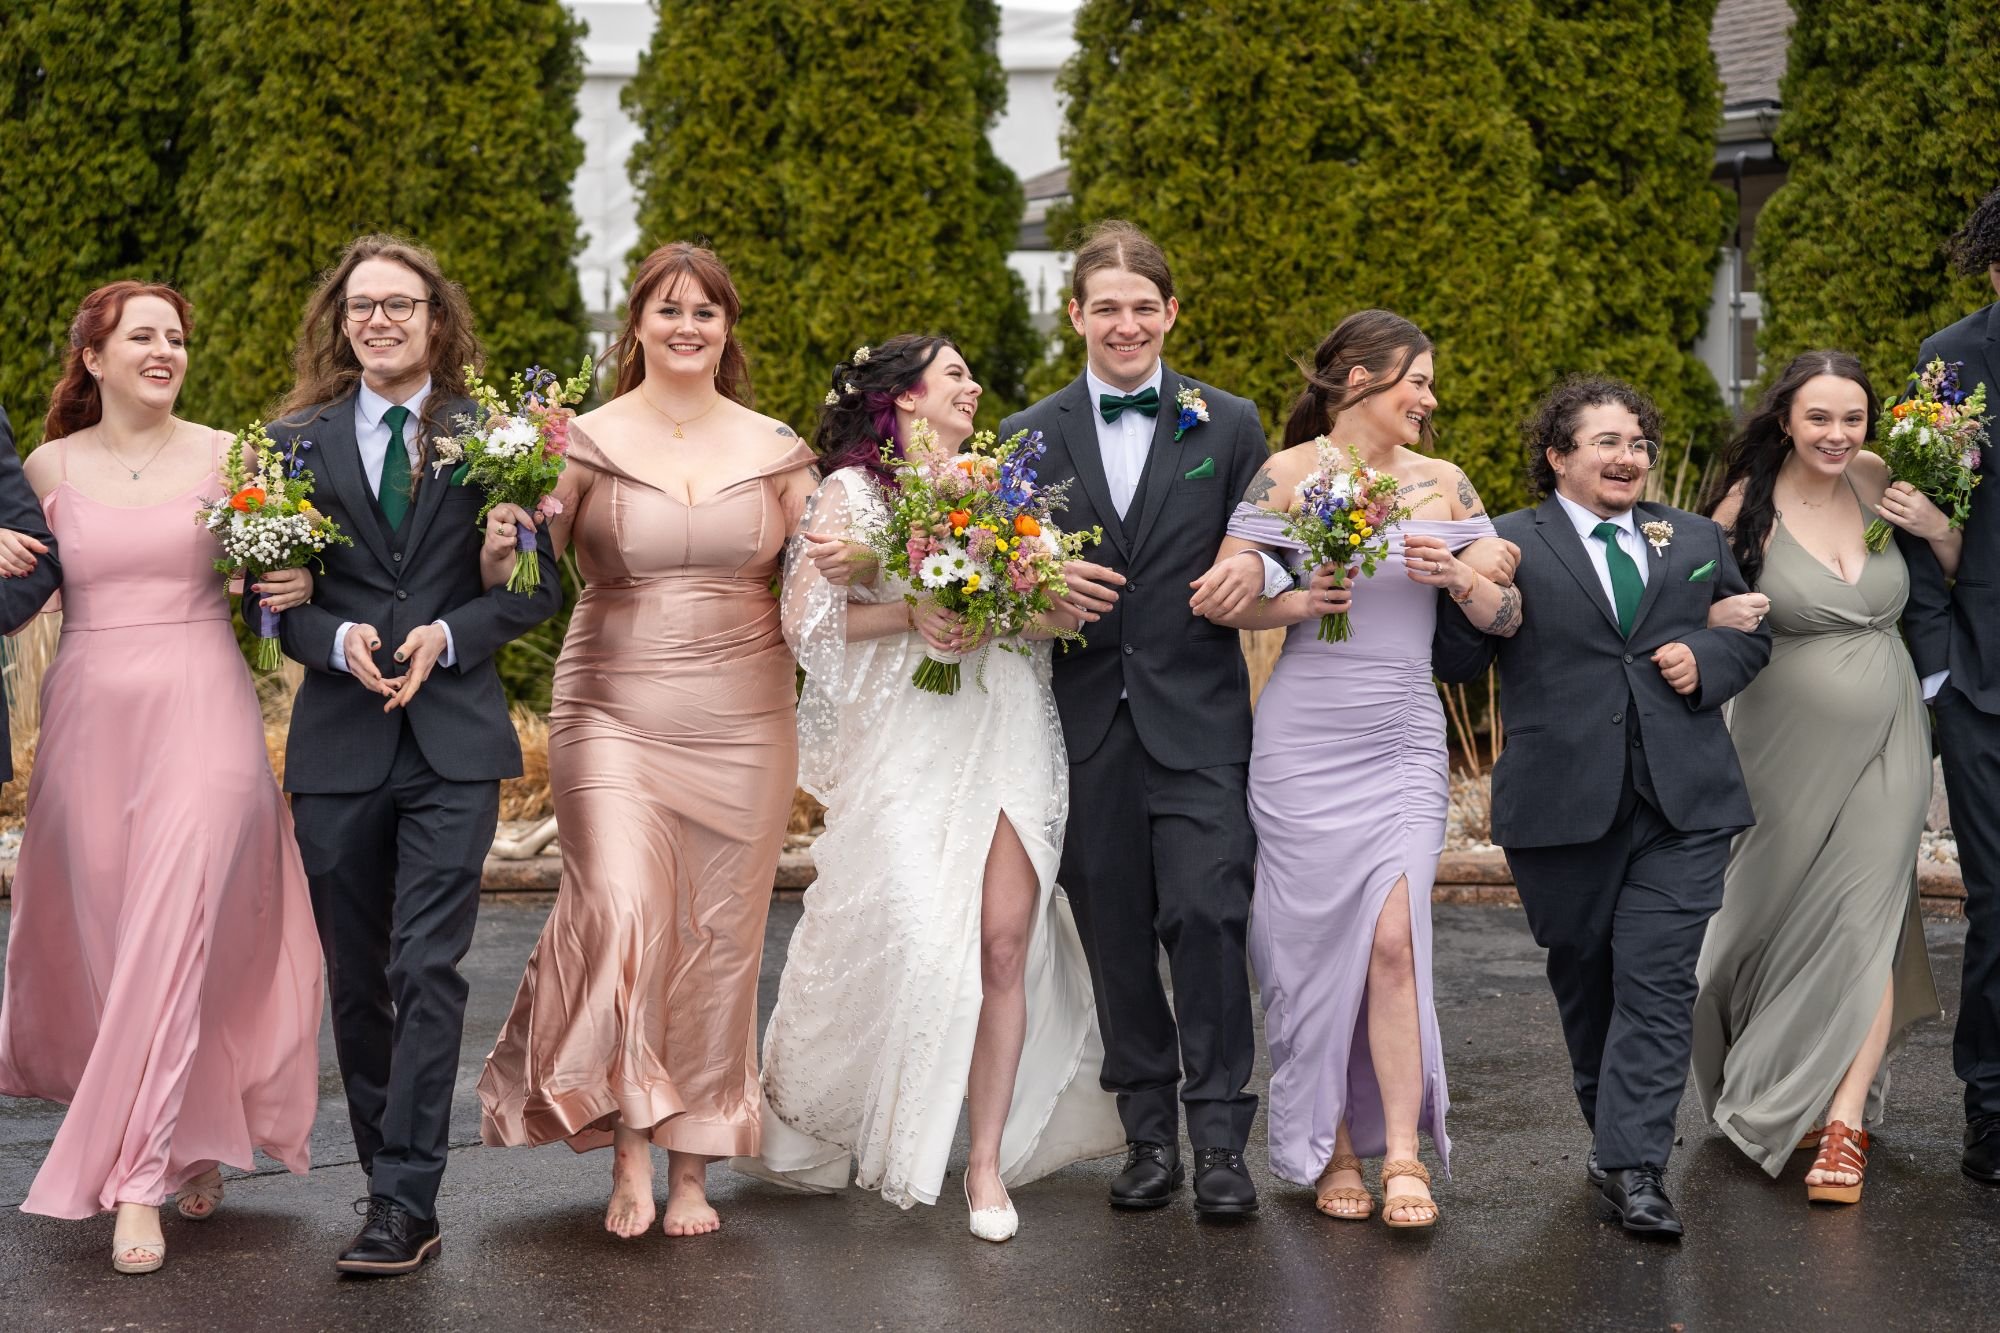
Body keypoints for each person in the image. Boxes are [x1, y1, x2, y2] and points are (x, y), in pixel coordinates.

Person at [738, 335, 1123, 1241]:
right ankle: (840, 1112)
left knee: (1002, 945)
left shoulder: (1001, 487)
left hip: (1007, 725)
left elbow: (1039, 613)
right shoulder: (852, 494)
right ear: (906, 396)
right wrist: (911, 609)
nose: (973, 386)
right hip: (910, 738)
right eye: (955, 373)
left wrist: (1033, 599)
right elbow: (804, 623)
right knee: (918, 937)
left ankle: (983, 1163)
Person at [478, 243, 816, 1240]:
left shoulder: (776, 447)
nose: (686, 326)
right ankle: (629, 1144)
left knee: (719, 935)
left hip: (745, 716)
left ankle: (694, 1163)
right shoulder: (581, 442)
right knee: (624, 911)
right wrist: (499, 548)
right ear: (636, 324)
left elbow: (824, 589)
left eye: (705, 311)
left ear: (727, 327)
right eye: (668, 309)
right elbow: (524, 580)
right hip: (611, 707)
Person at [0, 282, 320, 1274]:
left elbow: (279, 580)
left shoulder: (234, 455)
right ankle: (186, 1126)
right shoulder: (48, 466)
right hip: (89, 719)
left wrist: (297, 580)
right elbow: (21, 592)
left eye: (176, 336)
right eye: (142, 335)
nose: (164, 350)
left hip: (202, 705)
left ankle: (135, 1180)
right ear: (93, 357)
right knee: (112, 934)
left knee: (174, 927)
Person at [271, 235, 561, 1274]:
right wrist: (334, 637)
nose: (379, 320)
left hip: (451, 741)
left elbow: (535, 587)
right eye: (362, 305)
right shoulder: (290, 444)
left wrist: (450, 632)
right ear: (340, 321)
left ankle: (404, 1200)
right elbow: (267, 600)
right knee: (358, 980)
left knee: (426, 966)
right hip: (339, 742)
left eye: (400, 304)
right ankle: (384, 1178)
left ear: (437, 320)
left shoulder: (500, 437)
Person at [1197, 310, 1520, 1228]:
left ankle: (1405, 1153)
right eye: (1417, 380)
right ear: (1358, 381)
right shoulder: (1286, 474)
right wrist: (1297, 596)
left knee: (1393, 939)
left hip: (1403, 735)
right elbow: (1226, 596)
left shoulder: (1445, 482)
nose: (1430, 398)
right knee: (1309, 951)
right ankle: (1335, 1146)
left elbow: (1504, 609)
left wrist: (1465, 577)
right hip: (1303, 741)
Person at [1434, 376, 1770, 1240]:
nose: (1629, 457)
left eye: (1638, 443)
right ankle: (1614, 1138)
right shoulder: (1508, 539)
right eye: (1606, 442)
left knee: (1658, 981)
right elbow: (1459, 663)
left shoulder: (1693, 536)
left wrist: (1705, 658)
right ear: (1558, 456)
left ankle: (1636, 1166)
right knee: (1586, 978)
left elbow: (1748, 638)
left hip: (1684, 800)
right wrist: (1471, 586)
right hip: (1560, 803)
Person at [996, 221, 1278, 1215]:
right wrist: (1034, 596)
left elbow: (1273, 539)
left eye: (1144, 307)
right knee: (1113, 931)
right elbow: (1000, 574)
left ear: (1171, 313)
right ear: (1075, 314)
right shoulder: (1028, 433)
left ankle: (1222, 1140)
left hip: (1199, 718)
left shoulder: (1228, 423)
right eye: (1107, 307)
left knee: (1208, 913)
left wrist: (1255, 566)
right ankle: (1149, 1135)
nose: (1127, 324)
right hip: (1084, 724)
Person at [1692, 352, 1944, 1203]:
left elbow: (1951, 565)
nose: (1838, 435)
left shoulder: (1877, 479)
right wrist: (1717, 611)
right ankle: (1775, 1077)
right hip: (1778, 742)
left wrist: (1938, 526)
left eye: (1852, 418)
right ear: (1786, 421)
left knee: (1864, 917)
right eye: (1820, 418)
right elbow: (1686, 605)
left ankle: (1844, 1118)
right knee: (1750, 928)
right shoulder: (1744, 504)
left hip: (1890, 729)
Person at [1896, 182, 2000, 1186]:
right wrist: (1938, 674)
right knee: (1998, 902)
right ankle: (1991, 1110)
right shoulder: (1952, 360)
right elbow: (1920, 518)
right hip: (1983, 683)